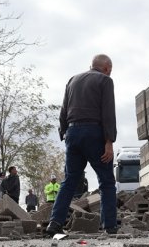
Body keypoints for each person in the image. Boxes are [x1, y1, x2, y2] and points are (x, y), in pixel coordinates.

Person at [46, 54, 118, 236]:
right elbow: (108, 112)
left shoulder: (73, 80)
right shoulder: (105, 81)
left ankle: (54, 224)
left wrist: (64, 133)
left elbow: (63, 109)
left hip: (72, 133)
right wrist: (109, 141)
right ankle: (109, 226)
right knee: (107, 181)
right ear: (107, 68)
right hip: (94, 133)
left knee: (69, 181)